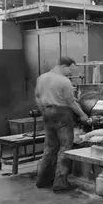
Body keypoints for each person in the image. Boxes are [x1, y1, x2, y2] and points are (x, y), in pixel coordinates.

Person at [34, 56, 89, 192]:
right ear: (64, 66)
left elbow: (37, 97)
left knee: (50, 147)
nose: (71, 73)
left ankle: (42, 180)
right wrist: (83, 115)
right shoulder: (64, 81)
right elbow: (71, 103)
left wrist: (44, 111)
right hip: (62, 114)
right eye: (70, 70)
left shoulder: (41, 78)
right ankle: (60, 183)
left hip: (47, 112)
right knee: (65, 148)